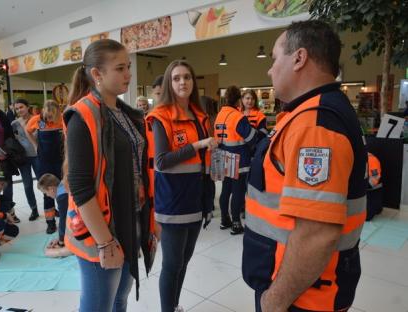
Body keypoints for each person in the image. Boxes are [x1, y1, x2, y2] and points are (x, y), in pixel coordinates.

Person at [242, 20, 367, 312]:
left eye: (274, 59)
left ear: (299, 58)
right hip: (300, 286)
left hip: (302, 296)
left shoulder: (316, 125)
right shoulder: (312, 114)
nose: (269, 70)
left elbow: (317, 233)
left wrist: (275, 301)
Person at [64, 39, 156, 312]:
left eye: (128, 66)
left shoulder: (124, 114)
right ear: (97, 74)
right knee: (98, 305)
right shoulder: (83, 115)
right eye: (120, 68)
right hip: (102, 230)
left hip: (129, 221)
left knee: (120, 297)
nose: (128, 74)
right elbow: (80, 189)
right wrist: (105, 242)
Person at [146, 60, 216, 312]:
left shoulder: (199, 115)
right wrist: (197, 146)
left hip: (196, 199)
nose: (182, 82)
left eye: (187, 77)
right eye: (176, 78)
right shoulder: (160, 117)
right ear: (168, 83)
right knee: (172, 264)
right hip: (173, 202)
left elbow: (202, 164)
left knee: (184, 261)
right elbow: (162, 162)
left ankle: (174, 306)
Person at [214, 86, 264, 235]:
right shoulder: (238, 116)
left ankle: (224, 220)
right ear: (238, 100)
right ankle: (236, 223)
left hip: (223, 157)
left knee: (225, 190)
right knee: (238, 192)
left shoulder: (220, 115)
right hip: (238, 160)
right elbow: (250, 137)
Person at [26, 100, 63, 233]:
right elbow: (27, 131)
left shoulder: (63, 119)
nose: (49, 119)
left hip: (60, 160)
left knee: (62, 191)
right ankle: (50, 222)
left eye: (51, 116)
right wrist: (35, 145)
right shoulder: (37, 120)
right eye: (47, 116)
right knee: (47, 193)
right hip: (44, 161)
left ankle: (65, 218)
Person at [11, 98, 39, 220]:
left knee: (43, 181)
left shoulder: (38, 120)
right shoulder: (14, 124)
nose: (19, 110)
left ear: (28, 107)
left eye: (21, 107)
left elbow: (43, 135)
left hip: (37, 156)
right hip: (23, 158)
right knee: (27, 185)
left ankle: (51, 208)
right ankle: (34, 209)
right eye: (17, 108)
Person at [37, 173, 71, 258]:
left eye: (45, 193)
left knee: (49, 253)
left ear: (51, 189)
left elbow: (63, 220)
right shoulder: (63, 186)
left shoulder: (62, 197)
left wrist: (61, 242)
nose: (47, 195)